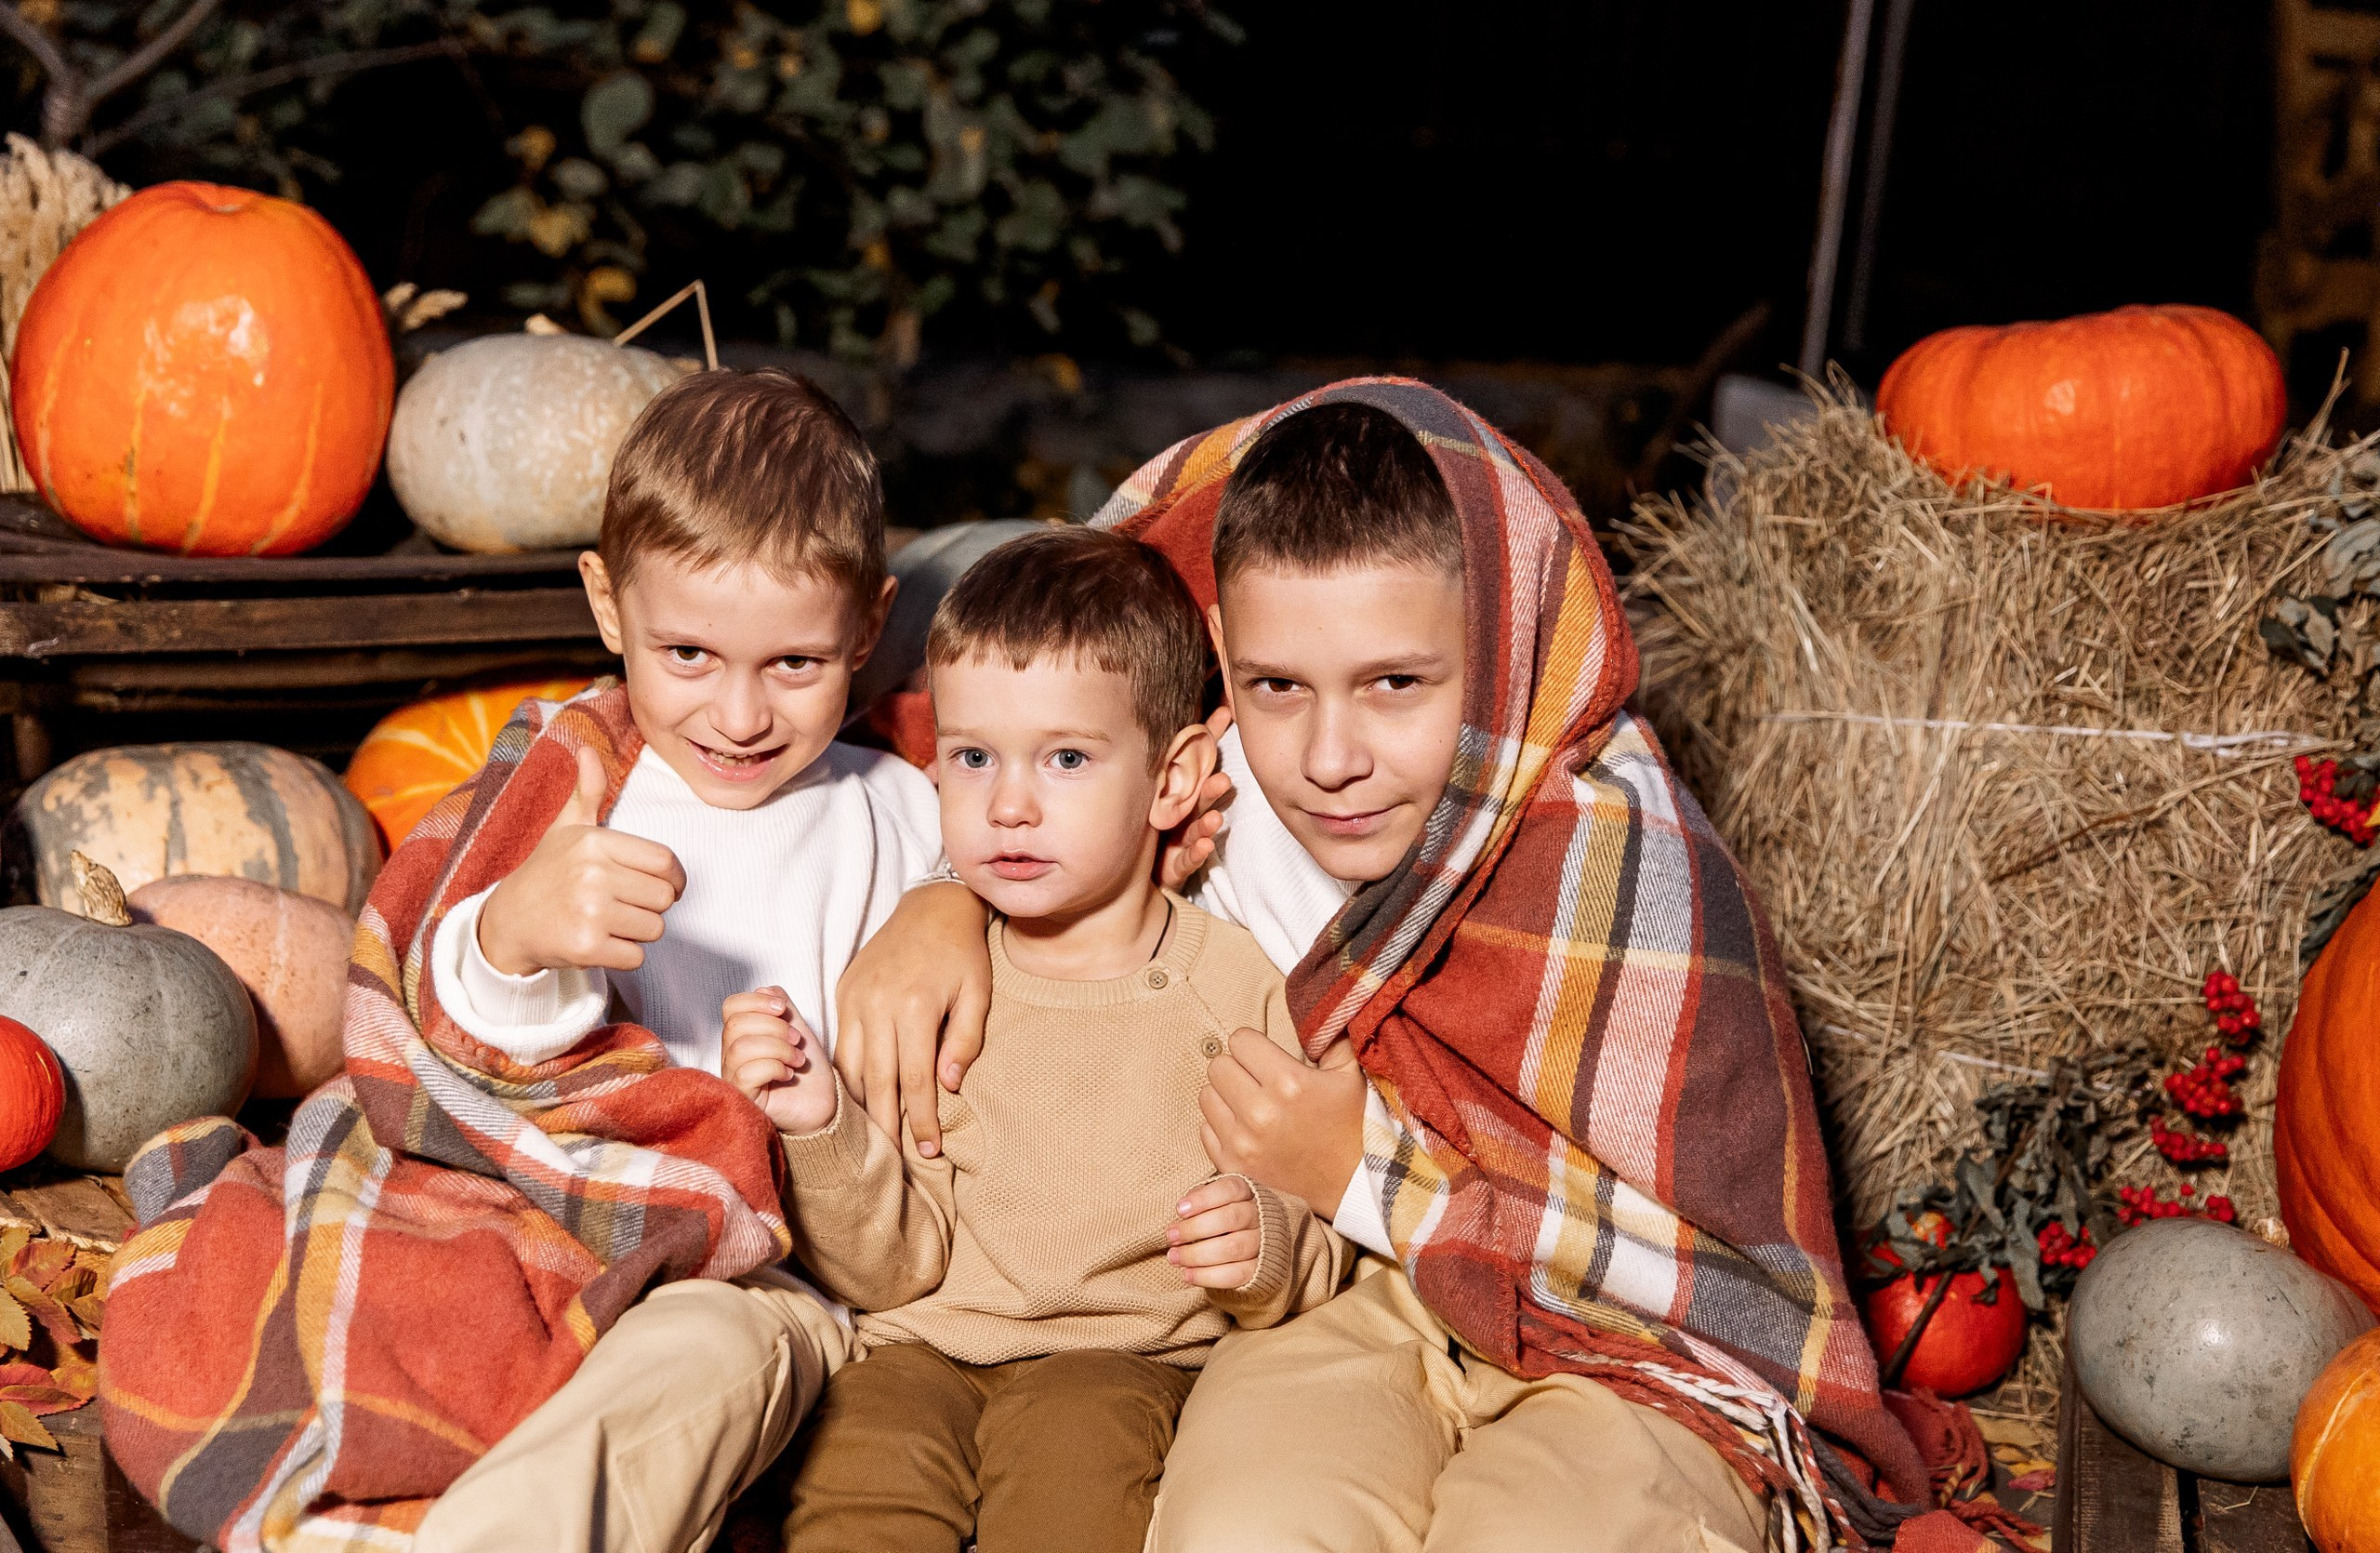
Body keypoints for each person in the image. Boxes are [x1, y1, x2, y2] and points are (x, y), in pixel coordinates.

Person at [830, 382, 1953, 1552]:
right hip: (1348, 1300)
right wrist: (940, 901)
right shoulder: (1197, 796)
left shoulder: (1619, 858)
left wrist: (1358, 1168)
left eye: (1395, 684)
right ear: (1222, 656)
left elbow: (1707, 1261)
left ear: (1503, 650)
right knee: (1240, 1530)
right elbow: (996, 768)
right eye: (1276, 685)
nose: (1328, 758)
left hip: (1622, 1347)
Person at [727, 526, 1349, 1553]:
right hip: (917, 1345)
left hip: (1125, 1358)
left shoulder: (1239, 988)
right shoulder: (925, 988)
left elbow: (1318, 1216)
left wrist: (1263, 1241)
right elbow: (891, 1267)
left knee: (1070, 1492)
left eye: (1065, 757)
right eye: (973, 757)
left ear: (1174, 774)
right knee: (853, 1497)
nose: (1009, 804)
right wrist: (818, 1123)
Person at [412, 366, 944, 1553]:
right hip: (571, 1218)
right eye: (689, 655)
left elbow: (1048, 869)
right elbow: (452, 1012)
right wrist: (515, 933)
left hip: (768, 1276)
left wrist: (946, 906)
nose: (742, 715)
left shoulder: (899, 808)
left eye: (797, 665)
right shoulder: (582, 790)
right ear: (609, 606)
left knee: (689, 1370)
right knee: (433, 1314)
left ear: (869, 623)